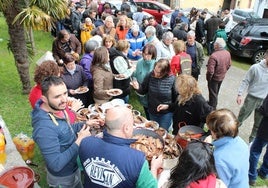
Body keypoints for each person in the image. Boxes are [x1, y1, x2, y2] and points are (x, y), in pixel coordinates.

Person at [31, 76, 99, 188]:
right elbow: (55, 164)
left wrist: (85, 123)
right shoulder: (44, 129)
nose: (64, 100)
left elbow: (66, 129)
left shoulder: (57, 108)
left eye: (65, 93)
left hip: (73, 167)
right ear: (44, 99)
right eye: (57, 96)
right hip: (62, 178)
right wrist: (79, 141)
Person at [79, 106, 163, 187]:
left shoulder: (85, 143)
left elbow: (81, 166)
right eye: (132, 124)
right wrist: (154, 168)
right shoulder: (137, 160)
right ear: (126, 128)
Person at [206, 108, 249, 188]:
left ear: (215, 133)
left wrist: (207, 149)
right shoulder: (241, 143)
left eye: (210, 130)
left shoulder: (219, 159)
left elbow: (220, 184)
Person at [131, 59, 177, 131]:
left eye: (158, 72)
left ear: (165, 72)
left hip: (166, 113)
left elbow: (177, 100)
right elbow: (143, 90)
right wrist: (137, 88)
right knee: (154, 131)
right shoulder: (150, 75)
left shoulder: (172, 79)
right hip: (152, 110)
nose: (155, 74)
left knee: (162, 132)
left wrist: (168, 106)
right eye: (154, 70)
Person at [236, 49, 268, 142]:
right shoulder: (255, 68)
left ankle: (251, 142)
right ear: (266, 56)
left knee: (258, 125)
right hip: (252, 98)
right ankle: (231, 134)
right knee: (240, 119)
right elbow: (246, 80)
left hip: (264, 101)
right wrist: (240, 94)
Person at [132, 44, 157, 119]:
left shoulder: (156, 64)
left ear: (153, 54)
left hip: (153, 94)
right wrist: (134, 81)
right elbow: (135, 74)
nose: (146, 56)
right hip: (142, 91)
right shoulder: (139, 62)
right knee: (147, 112)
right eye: (144, 54)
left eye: (148, 54)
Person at [248, 94, 268, 186]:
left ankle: (251, 176)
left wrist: (261, 109)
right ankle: (263, 172)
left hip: (265, 129)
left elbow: (265, 110)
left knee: (255, 151)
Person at [206, 38, 231, 109]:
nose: (213, 44)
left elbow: (210, 71)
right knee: (216, 92)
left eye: (214, 43)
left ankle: (212, 109)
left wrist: (208, 79)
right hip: (221, 77)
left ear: (217, 45)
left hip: (214, 78)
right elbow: (229, 65)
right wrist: (223, 72)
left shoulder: (214, 56)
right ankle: (212, 103)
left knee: (213, 94)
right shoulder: (227, 53)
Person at [80, 40, 100, 105]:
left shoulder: (91, 57)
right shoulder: (87, 60)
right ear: (93, 49)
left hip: (91, 82)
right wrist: (95, 79)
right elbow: (87, 74)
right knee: (90, 99)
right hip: (89, 84)